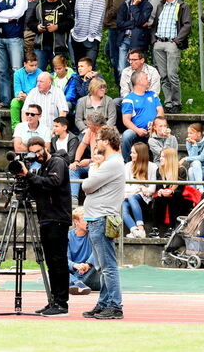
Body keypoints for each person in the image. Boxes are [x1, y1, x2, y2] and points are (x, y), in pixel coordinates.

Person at [12, 136, 71, 316]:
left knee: (58, 261)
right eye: (33, 153)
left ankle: (62, 303)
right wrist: (25, 179)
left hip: (58, 218)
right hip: (46, 218)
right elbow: (37, 189)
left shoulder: (57, 162)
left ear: (45, 147)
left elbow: (53, 183)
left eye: (39, 151)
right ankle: (53, 300)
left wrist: (29, 175)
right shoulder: (41, 168)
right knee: (51, 263)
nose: (37, 155)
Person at [76, 125, 125, 319]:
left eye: (98, 140)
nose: (95, 144)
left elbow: (87, 186)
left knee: (108, 267)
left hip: (101, 219)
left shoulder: (112, 163)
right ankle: (104, 303)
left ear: (106, 141)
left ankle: (114, 305)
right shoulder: (111, 162)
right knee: (102, 267)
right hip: (98, 218)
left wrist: (95, 166)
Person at [150, 0, 190, 113]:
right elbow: (155, 24)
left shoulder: (182, 6)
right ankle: (168, 103)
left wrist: (177, 41)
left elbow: (187, 25)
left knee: (172, 74)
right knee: (163, 75)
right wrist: (154, 40)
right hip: (159, 43)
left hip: (172, 43)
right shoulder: (161, 6)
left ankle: (176, 102)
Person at [120, 70, 163, 162]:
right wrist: (137, 130)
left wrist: (155, 125)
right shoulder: (129, 99)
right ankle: (126, 163)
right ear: (139, 81)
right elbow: (126, 120)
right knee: (127, 135)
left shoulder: (153, 95)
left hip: (154, 130)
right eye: (146, 78)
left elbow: (160, 111)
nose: (149, 80)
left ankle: (160, 164)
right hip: (137, 131)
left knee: (165, 133)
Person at [27, 0, 72, 69]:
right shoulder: (39, 4)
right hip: (41, 45)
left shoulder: (64, 5)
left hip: (58, 46)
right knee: (38, 72)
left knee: (57, 72)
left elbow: (71, 23)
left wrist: (57, 27)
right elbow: (30, 22)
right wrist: (37, 27)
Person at [114, 0, 152, 71]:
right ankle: (123, 86)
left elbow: (140, 21)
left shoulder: (147, 6)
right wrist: (135, 23)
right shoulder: (125, 3)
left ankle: (135, 85)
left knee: (136, 69)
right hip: (124, 39)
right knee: (121, 68)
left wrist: (134, 6)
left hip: (137, 41)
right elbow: (119, 24)